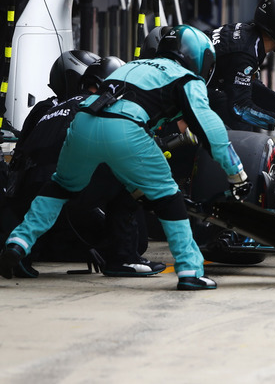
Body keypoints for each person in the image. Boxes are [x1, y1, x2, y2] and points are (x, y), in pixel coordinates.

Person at [0, 25, 249, 290]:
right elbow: (212, 130)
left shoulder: (131, 67)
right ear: (199, 58)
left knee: (60, 187)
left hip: (83, 122)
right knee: (169, 197)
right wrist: (237, 175)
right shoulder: (187, 78)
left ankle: (18, 244)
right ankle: (190, 271)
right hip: (125, 129)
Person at [2, 56, 167, 278]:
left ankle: (23, 253)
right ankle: (122, 258)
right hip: (67, 187)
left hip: (28, 191)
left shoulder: (51, 107)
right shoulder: (106, 105)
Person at [205, 0, 275, 153]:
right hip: (182, 96)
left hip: (193, 88)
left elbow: (251, 88)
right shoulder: (245, 52)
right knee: (241, 133)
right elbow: (240, 108)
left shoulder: (249, 36)